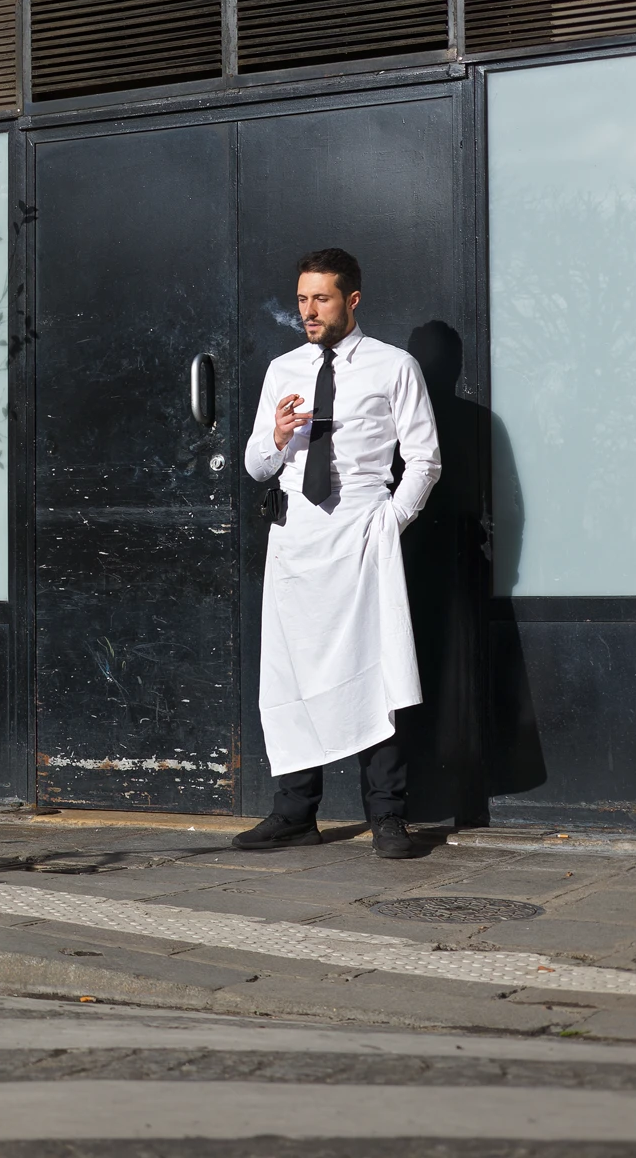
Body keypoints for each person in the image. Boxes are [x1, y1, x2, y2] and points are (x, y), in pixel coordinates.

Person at [234, 249, 440, 860]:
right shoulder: (283, 369)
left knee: (378, 669)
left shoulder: (393, 366)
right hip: (297, 538)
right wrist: (274, 438)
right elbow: (255, 466)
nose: (308, 311)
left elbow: (424, 459)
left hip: (361, 533)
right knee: (291, 672)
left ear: (352, 300)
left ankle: (388, 817)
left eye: (321, 299)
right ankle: (295, 812)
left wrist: (390, 521)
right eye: (302, 299)